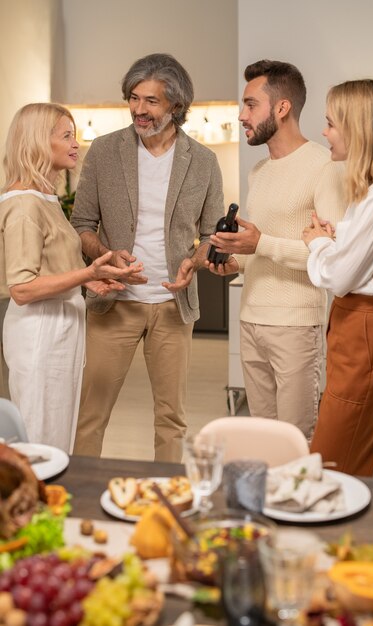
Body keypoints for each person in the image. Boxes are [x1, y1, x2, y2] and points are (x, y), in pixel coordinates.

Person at [71, 53, 224, 462]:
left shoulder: (204, 162)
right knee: (90, 414)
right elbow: (81, 224)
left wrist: (196, 259)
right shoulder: (103, 152)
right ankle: (80, 496)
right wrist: (106, 254)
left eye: (152, 101)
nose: (140, 109)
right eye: (134, 98)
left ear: (175, 105)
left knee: (171, 418)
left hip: (171, 307)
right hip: (114, 302)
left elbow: (210, 234)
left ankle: (167, 503)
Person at [207, 60, 346, 440]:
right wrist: (237, 260)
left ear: (282, 108)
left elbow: (329, 258)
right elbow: (260, 251)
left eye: (251, 105)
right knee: (262, 438)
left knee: (295, 439)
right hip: (251, 319)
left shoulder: (324, 167)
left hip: (296, 325)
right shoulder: (259, 172)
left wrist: (260, 244)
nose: (241, 115)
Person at [0, 103, 141, 452]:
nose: (76, 144)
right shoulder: (23, 204)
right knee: (39, 437)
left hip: (59, 324)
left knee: (57, 435)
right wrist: (88, 271)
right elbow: (21, 289)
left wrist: (86, 280)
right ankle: (33, 503)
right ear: (37, 142)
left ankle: (52, 501)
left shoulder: (44, 198)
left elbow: (48, 268)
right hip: (40, 330)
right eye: (67, 136)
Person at [302, 79, 373, 477]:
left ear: (358, 129)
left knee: (330, 469)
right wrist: (336, 241)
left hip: (363, 330)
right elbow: (356, 263)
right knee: (363, 461)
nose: (325, 132)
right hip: (363, 329)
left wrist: (318, 244)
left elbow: (338, 277)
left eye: (331, 123)